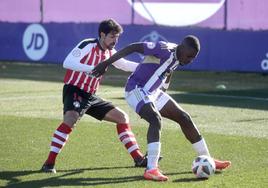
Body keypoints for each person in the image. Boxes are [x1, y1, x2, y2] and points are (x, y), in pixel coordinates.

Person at [91, 35, 231, 181]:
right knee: (155, 120)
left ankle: (207, 158)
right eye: (189, 56)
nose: (190, 60)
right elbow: (133, 47)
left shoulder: (179, 57)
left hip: (153, 92)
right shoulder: (163, 48)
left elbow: (169, 70)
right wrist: (105, 63)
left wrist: (164, 87)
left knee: (184, 118)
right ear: (182, 48)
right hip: (136, 89)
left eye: (193, 58)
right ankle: (151, 169)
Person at [41, 18, 149, 173]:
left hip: (91, 96)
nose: (115, 41)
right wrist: (93, 68)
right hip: (75, 90)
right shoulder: (88, 44)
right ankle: (49, 163)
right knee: (70, 119)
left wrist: (146, 68)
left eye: (117, 37)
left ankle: (138, 159)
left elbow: (124, 65)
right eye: (112, 37)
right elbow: (67, 62)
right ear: (102, 34)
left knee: (122, 117)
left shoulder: (110, 52)